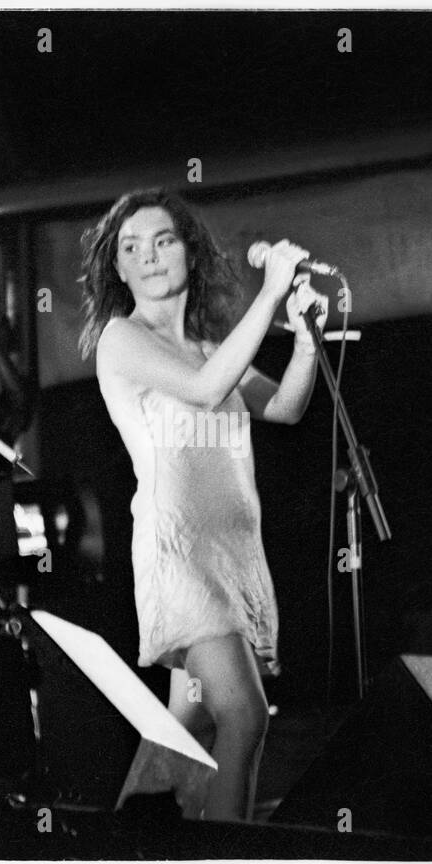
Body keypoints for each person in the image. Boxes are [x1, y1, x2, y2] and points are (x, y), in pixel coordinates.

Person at [80, 189, 327, 821]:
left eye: (163, 240)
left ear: (190, 251)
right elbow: (203, 389)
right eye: (131, 248)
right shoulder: (122, 340)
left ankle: (123, 851)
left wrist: (302, 342)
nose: (150, 256)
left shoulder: (213, 344)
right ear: (119, 269)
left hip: (233, 557)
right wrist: (269, 294)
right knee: (242, 716)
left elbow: (286, 408)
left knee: (182, 736)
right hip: (180, 556)